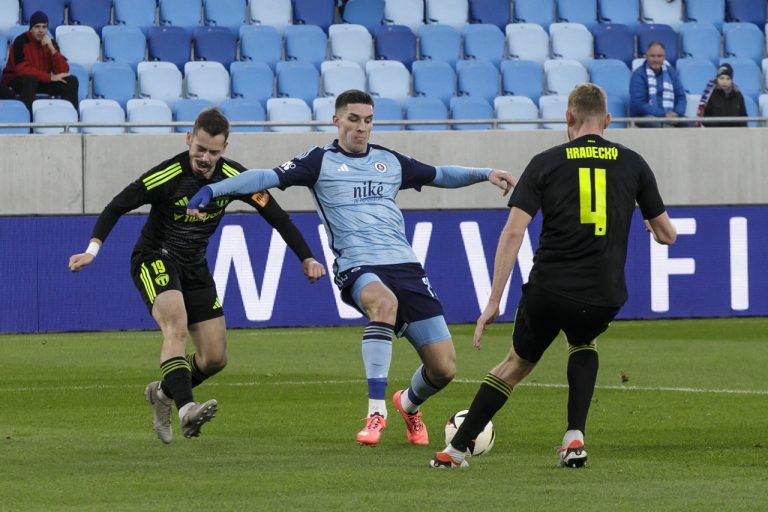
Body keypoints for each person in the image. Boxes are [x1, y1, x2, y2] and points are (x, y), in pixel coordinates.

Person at [185, 89, 516, 448]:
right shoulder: (318, 161)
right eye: (354, 119)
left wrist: (486, 173)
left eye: (368, 120)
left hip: (405, 264)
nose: (362, 128)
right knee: (383, 304)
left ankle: (407, 404)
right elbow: (265, 177)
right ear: (337, 121)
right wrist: (214, 191)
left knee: (444, 368)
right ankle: (376, 412)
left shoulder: (389, 161)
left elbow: (440, 174)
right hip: (358, 265)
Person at [430, 83, 677, 469]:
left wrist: (493, 301)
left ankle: (455, 450)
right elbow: (667, 234)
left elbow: (513, 232)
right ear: (607, 121)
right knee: (584, 340)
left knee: (515, 364)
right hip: (603, 293)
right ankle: (574, 437)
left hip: (549, 288)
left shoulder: (546, 161)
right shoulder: (634, 163)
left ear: (568, 119)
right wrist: (652, 228)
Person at [69, 108, 326, 444]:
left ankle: (162, 393)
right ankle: (186, 408)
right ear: (189, 139)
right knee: (176, 325)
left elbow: (275, 214)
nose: (205, 158)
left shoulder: (234, 178)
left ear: (225, 148)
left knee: (215, 358)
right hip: (154, 258)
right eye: (200, 149)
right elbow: (117, 205)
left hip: (194, 266)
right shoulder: (166, 176)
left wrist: (306, 257)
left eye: (214, 152)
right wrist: (92, 250)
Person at [1, 10, 79, 113]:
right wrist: (50, 77)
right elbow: (22, 69)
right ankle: (29, 121)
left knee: (71, 81)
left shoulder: (51, 43)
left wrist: (52, 49)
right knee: (30, 79)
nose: (41, 30)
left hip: (41, 80)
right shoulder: (20, 41)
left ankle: (69, 117)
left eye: (44, 27)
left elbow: (63, 71)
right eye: (37, 27)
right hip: (17, 80)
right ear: (31, 29)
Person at [629, 41, 686, 127]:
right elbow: (639, 104)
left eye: (659, 56)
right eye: (652, 56)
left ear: (664, 57)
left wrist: (677, 113)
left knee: (690, 123)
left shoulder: (671, 72)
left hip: (670, 115)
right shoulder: (638, 74)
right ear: (646, 56)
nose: (656, 59)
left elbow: (681, 96)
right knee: (655, 124)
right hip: (644, 117)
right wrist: (663, 114)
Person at [698, 63, 747, 128]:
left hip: (735, 133)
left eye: (728, 79)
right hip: (714, 133)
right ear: (717, 79)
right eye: (721, 78)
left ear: (731, 80)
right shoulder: (710, 95)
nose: (725, 81)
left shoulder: (738, 95)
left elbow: (743, 116)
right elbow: (704, 118)